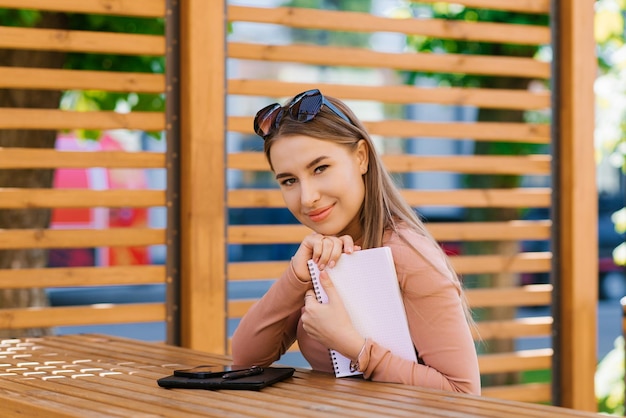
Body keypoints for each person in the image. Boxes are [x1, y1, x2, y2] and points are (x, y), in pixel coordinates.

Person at [231, 89, 481, 395]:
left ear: (361, 157)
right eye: (289, 180)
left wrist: (354, 347)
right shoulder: (323, 254)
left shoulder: (407, 255)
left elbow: (464, 394)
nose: (307, 197)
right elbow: (245, 359)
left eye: (320, 168)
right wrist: (296, 277)